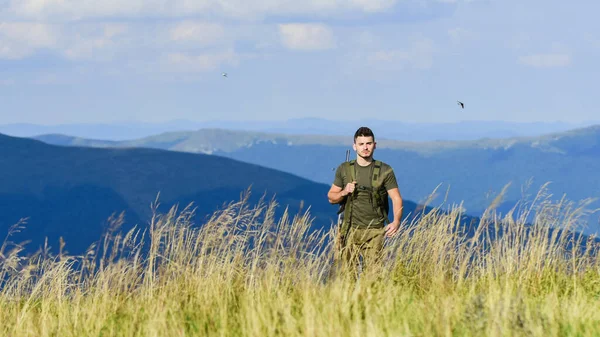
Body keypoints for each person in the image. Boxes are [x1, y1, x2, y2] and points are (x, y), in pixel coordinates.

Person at [327, 126, 403, 279]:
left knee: (374, 277)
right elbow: (331, 197)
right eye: (361, 144)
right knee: (346, 276)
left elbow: (396, 197)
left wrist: (396, 221)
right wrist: (344, 192)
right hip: (349, 229)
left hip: (375, 230)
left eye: (368, 143)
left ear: (375, 145)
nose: (365, 147)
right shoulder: (344, 169)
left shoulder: (385, 170)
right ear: (354, 146)